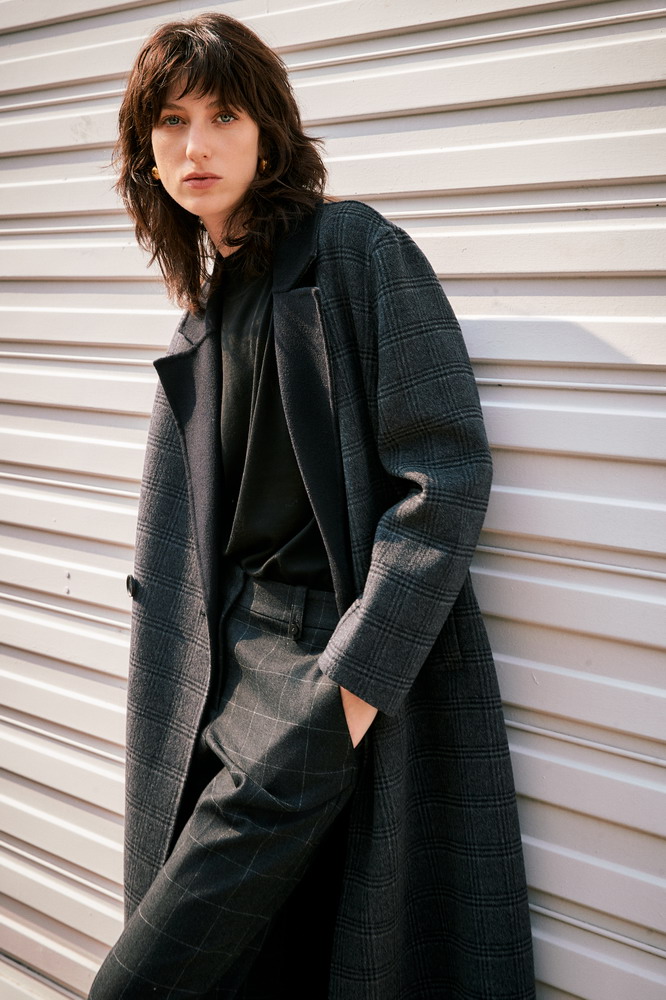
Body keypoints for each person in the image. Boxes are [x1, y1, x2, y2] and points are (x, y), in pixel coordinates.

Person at [89, 11, 535, 1000]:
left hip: (320, 667)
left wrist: (349, 697)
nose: (196, 146)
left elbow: (445, 474)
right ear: (144, 149)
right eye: (171, 121)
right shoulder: (207, 310)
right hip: (220, 673)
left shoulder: (352, 253)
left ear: (270, 132)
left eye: (224, 115)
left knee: (146, 975)